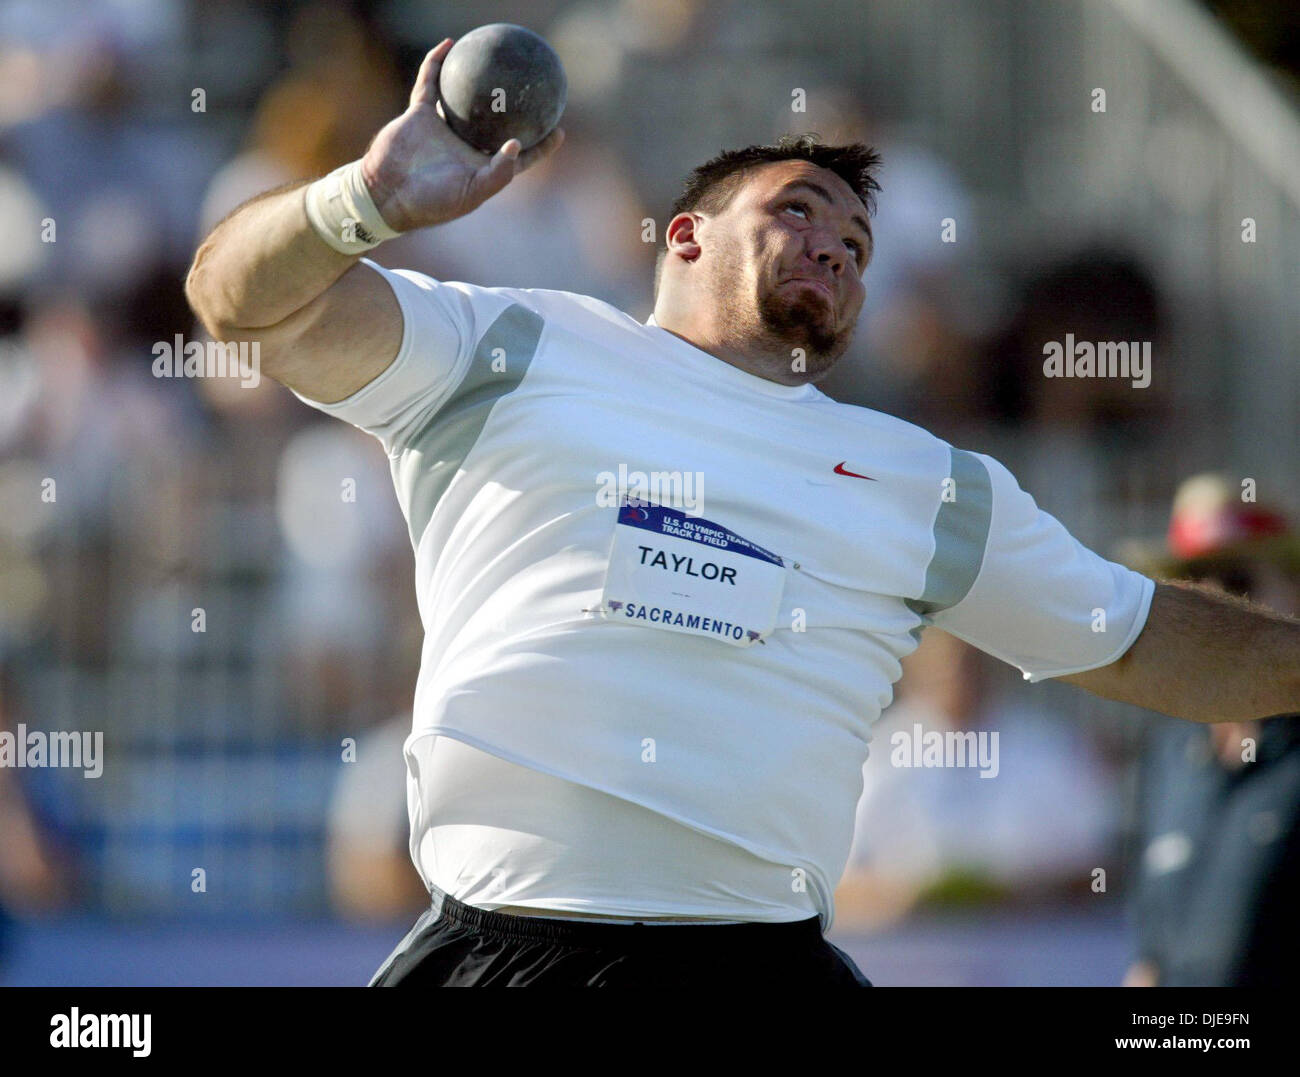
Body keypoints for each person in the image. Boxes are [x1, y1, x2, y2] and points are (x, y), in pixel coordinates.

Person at [185, 39, 1300, 987]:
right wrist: (365, 200)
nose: (836, 247)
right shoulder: (510, 344)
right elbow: (239, 308)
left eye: (859, 248)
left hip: (761, 966)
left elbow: (1148, 642)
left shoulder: (925, 479)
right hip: (501, 953)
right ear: (683, 237)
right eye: (800, 210)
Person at [1119, 473, 1300, 986]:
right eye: (1195, 587)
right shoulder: (1171, 751)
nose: (1215, 606)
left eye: (1239, 580)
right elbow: (1152, 953)